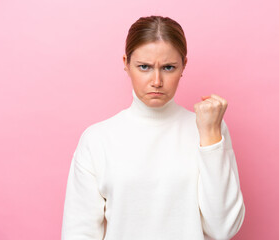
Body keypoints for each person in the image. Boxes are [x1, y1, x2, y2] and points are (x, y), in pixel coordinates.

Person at [61, 15, 245, 240]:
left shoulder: (210, 130)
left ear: (183, 66)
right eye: (144, 67)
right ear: (126, 64)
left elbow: (223, 229)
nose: (156, 81)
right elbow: (79, 233)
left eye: (168, 67)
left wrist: (210, 136)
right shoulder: (98, 139)